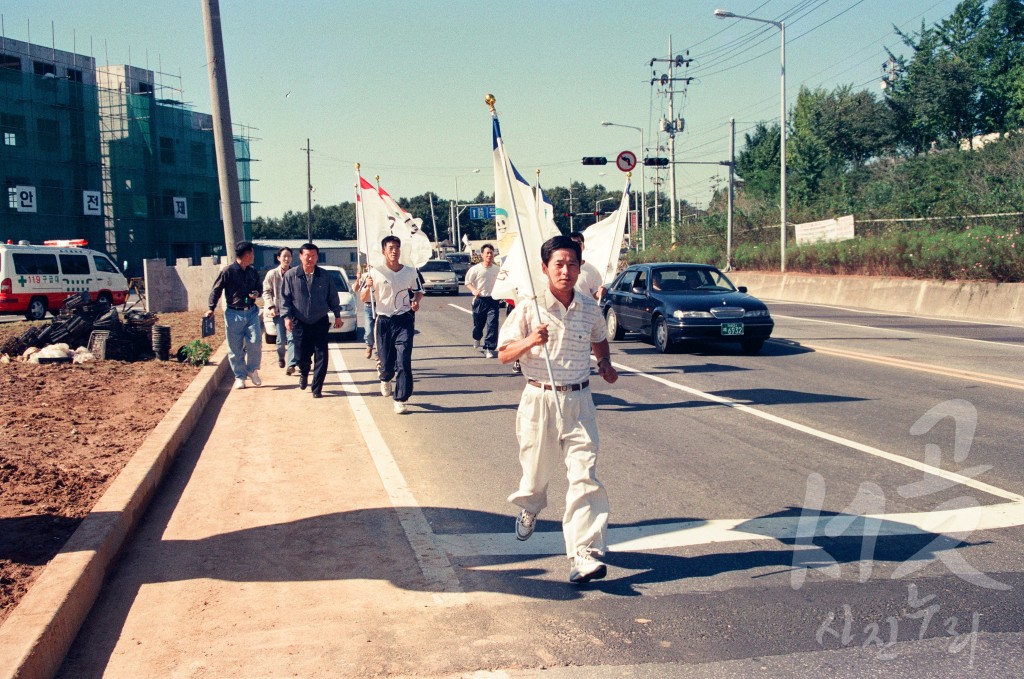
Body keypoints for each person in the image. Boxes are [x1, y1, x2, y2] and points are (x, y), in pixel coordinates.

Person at [497, 234, 618, 584]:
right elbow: (504, 354)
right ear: (545, 268)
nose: (566, 271)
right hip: (539, 399)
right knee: (535, 476)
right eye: (559, 264)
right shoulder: (529, 309)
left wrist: (605, 363)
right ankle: (531, 507)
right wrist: (530, 340)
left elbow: (599, 336)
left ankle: (584, 553)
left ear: (581, 267)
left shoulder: (589, 307)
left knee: (585, 476)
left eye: (572, 264)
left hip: (579, 401)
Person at [359, 235, 422, 414]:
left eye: (397, 247)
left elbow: (418, 292)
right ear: (383, 251)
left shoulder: (410, 272)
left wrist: (416, 302)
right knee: (387, 363)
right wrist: (367, 287)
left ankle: (400, 398)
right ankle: (385, 377)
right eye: (390, 248)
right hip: (384, 320)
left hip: (404, 320)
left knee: (404, 361)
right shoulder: (375, 272)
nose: (394, 251)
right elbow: (364, 298)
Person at [280, 243, 343, 399]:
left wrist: (337, 314)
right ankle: (304, 371)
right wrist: (287, 317)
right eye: (307, 255)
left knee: (322, 355)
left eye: (313, 256)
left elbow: (332, 296)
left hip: (320, 320)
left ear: (317, 257)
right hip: (299, 321)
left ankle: (317, 388)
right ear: (300, 256)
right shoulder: (291, 275)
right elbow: (285, 299)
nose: (310, 259)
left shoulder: (325, 275)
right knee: (301, 354)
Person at [206, 241, 263, 390]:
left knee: (255, 341)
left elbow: (259, 287)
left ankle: (252, 370)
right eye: (252, 253)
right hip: (233, 314)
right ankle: (240, 377)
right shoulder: (228, 271)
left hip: (251, 312)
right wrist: (211, 308)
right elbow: (216, 290)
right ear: (246, 254)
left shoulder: (252, 271)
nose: (253, 256)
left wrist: (256, 293)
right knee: (235, 348)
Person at [262, 247, 297, 374]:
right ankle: (281, 357)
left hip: (292, 311)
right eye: (284, 256)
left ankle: (291, 364)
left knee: (292, 337)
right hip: (277, 311)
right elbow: (266, 291)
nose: (286, 259)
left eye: (289, 256)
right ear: (278, 258)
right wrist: (271, 306)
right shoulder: (272, 274)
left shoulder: (295, 273)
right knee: (281, 339)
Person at [464, 243, 500, 358]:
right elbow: (467, 282)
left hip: (493, 300)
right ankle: (477, 337)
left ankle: (489, 348)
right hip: (480, 300)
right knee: (478, 325)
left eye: (491, 253)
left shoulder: (497, 269)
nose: (489, 255)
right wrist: (474, 290)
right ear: (482, 255)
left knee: (492, 324)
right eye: (487, 253)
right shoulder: (475, 269)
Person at [569, 231, 606, 301]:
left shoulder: (592, 271)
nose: (576, 246)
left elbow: (595, 294)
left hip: (584, 310)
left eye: (579, 243)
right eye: (573, 243)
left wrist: (600, 293)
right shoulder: (561, 269)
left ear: (583, 246)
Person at [356, 264, 377, 360]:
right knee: (369, 330)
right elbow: (362, 297)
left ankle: (379, 352)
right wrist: (368, 286)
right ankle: (369, 345)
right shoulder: (365, 276)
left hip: (381, 307)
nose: (371, 267)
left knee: (379, 332)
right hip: (368, 306)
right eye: (369, 266)